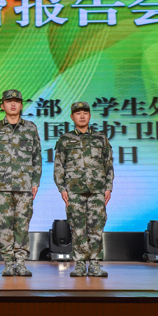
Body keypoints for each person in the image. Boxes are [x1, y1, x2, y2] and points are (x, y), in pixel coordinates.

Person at [0, 89, 42, 277]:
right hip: (1, 185)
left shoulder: (30, 128)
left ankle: (21, 263)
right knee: (4, 225)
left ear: (22, 105)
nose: (13, 104)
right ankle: (8, 263)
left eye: (17, 101)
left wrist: (35, 181)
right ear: (3, 105)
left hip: (24, 185)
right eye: (9, 101)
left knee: (23, 225)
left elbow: (36, 157)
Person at [54, 101, 114, 278]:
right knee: (77, 227)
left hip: (97, 190)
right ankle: (80, 264)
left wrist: (108, 187)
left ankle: (94, 264)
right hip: (74, 191)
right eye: (78, 113)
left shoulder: (100, 138)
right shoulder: (65, 139)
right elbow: (59, 165)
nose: (82, 116)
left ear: (90, 115)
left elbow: (108, 164)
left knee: (96, 227)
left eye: (85, 113)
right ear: (72, 117)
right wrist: (62, 188)